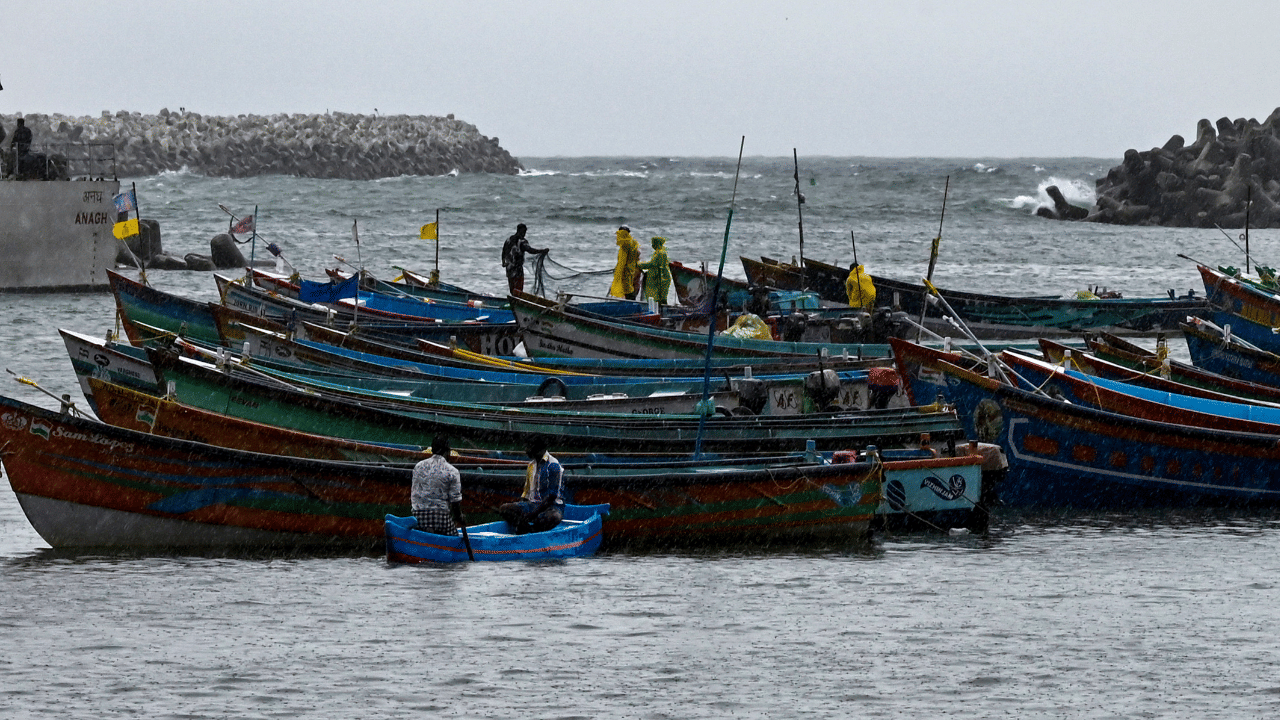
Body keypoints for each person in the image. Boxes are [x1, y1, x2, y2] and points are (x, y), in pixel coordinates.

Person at [498, 437, 565, 535]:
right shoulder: (531, 465)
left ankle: (533, 531)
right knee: (504, 508)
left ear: (537, 449)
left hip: (551, 507)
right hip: (532, 504)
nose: (526, 451)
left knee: (554, 517)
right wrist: (521, 511)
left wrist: (532, 514)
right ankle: (528, 530)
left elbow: (551, 497)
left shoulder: (553, 465)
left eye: (528, 448)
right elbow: (527, 491)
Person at [410, 435, 464, 536]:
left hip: (418, 516)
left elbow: (414, 494)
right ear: (447, 451)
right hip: (441, 517)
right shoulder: (452, 471)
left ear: (432, 450)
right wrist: (460, 517)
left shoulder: (418, 466)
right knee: (455, 538)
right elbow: (455, 502)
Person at [501, 223, 547, 294]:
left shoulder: (509, 240)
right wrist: (542, 251)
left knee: (512, 288)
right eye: (523, 231)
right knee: (518, 289)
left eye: (525, 232)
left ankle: (513, 299)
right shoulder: (522, 241)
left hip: (509, 268)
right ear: (519, 230)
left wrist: (503, 261)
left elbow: (503, 252)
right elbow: (530, 250)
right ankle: (517, 301)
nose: (524, 234)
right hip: (517, 269)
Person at [637, 236, 673, 304]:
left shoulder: (660, 253)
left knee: (659, 296)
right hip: (658, 277)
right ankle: (659, 309)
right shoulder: (658, 252)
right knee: (656, 296)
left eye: (653, 243)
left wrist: (639, 265)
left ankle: (661, 310)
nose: (652, 245)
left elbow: (652, 264)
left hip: (661, 277)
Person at [608, 226, 641, 299]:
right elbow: (638, 254)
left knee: (628, 291)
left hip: (627, 271)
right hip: (634, 269)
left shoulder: (625, 244)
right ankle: (632, 304)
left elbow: (622, 261)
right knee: (632, 290)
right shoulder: (633, 242)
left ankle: (630, 306)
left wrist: (618, 271)